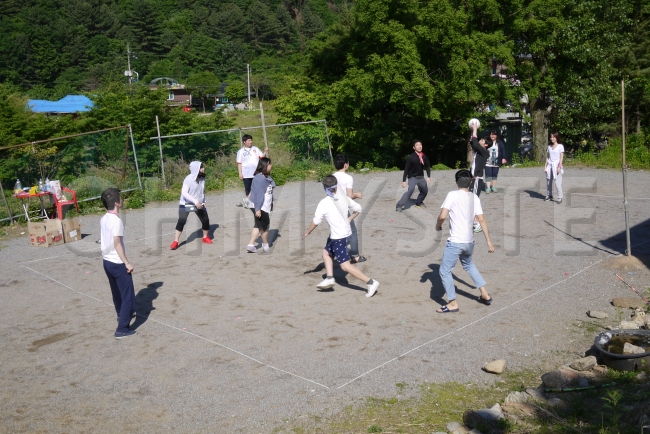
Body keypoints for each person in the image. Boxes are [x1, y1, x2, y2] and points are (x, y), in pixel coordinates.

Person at [303, 175, 379, 297]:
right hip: (344, 234)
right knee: (326, 253)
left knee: (345, 266)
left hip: (338, 238)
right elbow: (358, 208)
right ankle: (329, 278)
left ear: (324, 188)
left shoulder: (324, 203)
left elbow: (316, 221)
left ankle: (371, 282)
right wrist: (350, 219)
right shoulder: (343, 198)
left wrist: (308, 232)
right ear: (336, 186)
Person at [435, 170, 495, 313]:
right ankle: (484, 294)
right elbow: (482, 220)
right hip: (469, 242)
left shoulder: (452, 195)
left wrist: (438, 226)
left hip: (456, 242)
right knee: (469, 265)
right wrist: (489, 241)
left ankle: (452, 303)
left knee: (444, 271)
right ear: (470, 182)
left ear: (456, 181)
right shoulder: (474, 197)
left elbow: (442, 216)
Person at [100, 188, 137, 339]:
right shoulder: (117, 221)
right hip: (117, 263)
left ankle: (121, 315)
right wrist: (127, 262)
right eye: (120, 198)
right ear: (116, 202)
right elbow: (117, 244)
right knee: (128, 296)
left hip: (107, 262)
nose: (122, 200)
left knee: (117, 293)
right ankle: (122, 329)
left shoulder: (104, 218)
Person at [170, 161, 212, 250]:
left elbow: (202, 191)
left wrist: (204, 201)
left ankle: (205, 237)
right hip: (186, 203)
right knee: (182, 221)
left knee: (205, 220)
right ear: (196, 169)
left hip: (198, 203)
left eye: (202, 167)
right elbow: (184, 193)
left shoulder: (202, 178)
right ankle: (176, 241)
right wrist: (195, 201)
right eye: (201, 167)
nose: (203, 169)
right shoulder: (188, 179)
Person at [332, 153, 366, 263]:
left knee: (335, 230)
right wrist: (357, 195)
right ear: (345, 165)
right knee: (352, 231)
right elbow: (350, 195)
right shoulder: (348, 178)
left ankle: (332, 251)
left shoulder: (331, 177)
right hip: (342, 208)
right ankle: (355, 256)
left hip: (332, 207)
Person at [247, 157, 275, 253]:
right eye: (269, 164)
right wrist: (258, 209)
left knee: (258, 225)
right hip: (260, 206)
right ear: (265, 166)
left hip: (262, 205)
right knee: (265, 226)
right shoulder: (260, 178)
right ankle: (265, 245)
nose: (271, 165)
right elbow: (259, 195)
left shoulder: (265, 176)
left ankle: (251, 245)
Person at [396, 139, 431, 211]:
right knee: (410, 190)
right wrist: (404, 180)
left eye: (420, 145)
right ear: (414, 147)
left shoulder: (424, 156)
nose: (419, 146)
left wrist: (428, 176)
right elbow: (406, 169)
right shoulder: (411, 157)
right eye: (417, 145)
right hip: (412, 177)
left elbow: (427, 166)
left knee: (425, 191)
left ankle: (419, 202)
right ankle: (399, 205)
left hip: (421, 177)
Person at [236, 134, 268, 208]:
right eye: (249, 140)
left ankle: (256, 201)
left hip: (256, 173)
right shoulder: (240, 152)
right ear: (244, 142)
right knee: (248, 188)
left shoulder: (255, 149)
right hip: (246, 174)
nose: (250, 142)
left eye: (251, 140)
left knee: (257, 187)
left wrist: (265, 152)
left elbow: (261, 157)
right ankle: (248, 202)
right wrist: (240, 173)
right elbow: (239, 163)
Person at [469, 124, 490, 232]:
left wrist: (475, 129)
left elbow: (475, 142)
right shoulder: (479, 151)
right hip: (473, 178)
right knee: (470, 200)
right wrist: (472, 131)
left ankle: (477, 223)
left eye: (482, 140)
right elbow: (473, 142)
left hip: (477, 178)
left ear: (486, 144)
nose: (480, 141)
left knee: (474, 200)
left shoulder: (485, 151)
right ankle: (474, 220)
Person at [544, 132, 564, 204]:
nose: (552, 138)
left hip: (556, 166)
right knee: (548, 182)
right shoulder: (549, 147)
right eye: (551, 137)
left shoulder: (560, 146)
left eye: (553, 137)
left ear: (556, 138)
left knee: (557, 183)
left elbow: (561, 158)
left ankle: (560, 197)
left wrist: (559, 167)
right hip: (550, 166)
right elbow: (548, 157)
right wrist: (545, 166)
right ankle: (549, 195)